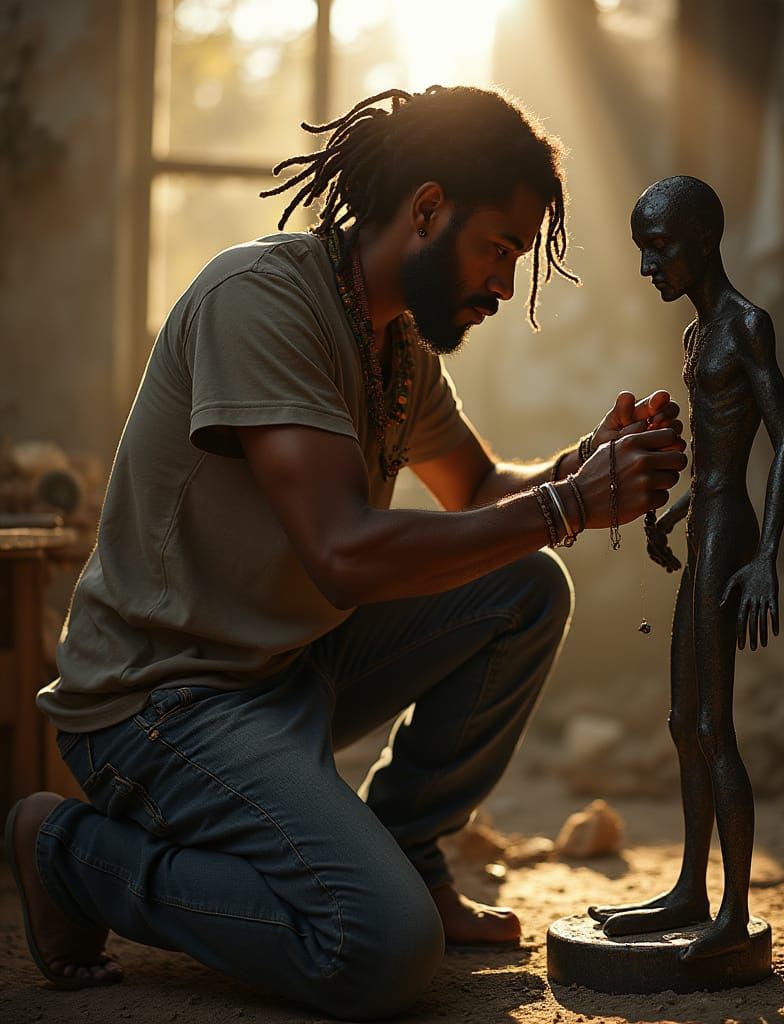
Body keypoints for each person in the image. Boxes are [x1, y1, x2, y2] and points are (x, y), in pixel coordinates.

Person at [7, 86, 687, 1019]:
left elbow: (478, 492)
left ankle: (407, 846)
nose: (503, 283)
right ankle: (71, 855)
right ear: (428, 209)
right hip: (161, 701)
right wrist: (570, 504)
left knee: (526, 586)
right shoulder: (260, 300)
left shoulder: (396, 342)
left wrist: (581, 465)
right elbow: (343, 553)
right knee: (380, 949)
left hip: (283, 670)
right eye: (499, 248)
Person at [589, 175, 784, 960]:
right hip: (705, 520)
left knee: (714, 726)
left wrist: (767, 555)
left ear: (703, 243)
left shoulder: (746, 325)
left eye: (658, 249)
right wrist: (672, 514)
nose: (649, 268)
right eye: (642, 251)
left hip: (730, 532)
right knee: (683, 723)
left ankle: (735, 914)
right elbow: (712, 462)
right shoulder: (696, 333)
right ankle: (689, 890)